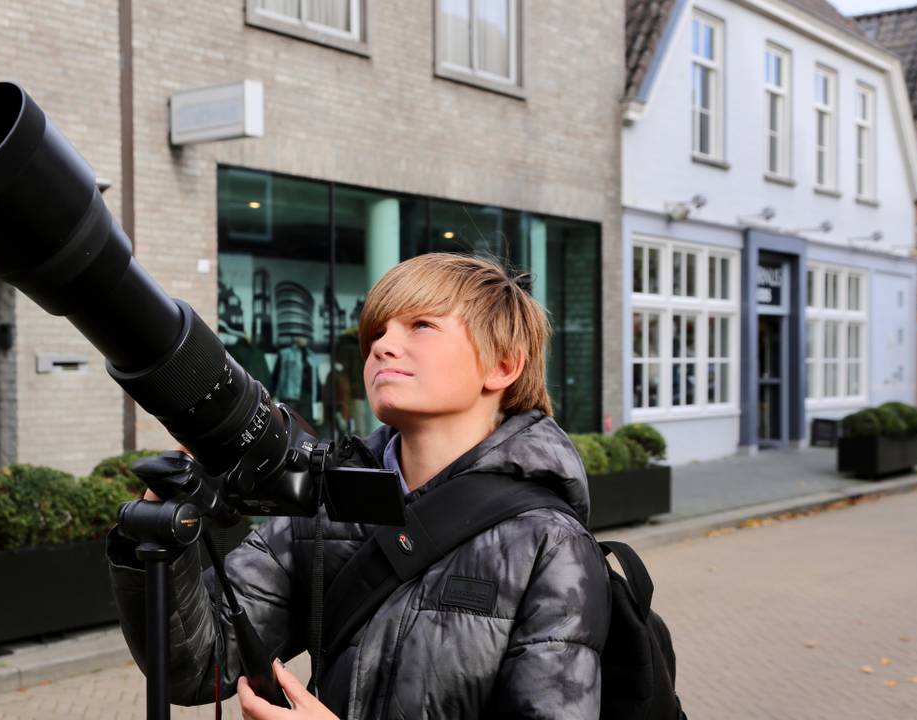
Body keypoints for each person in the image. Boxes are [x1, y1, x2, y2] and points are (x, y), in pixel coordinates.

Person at [107, 253, 610, 718]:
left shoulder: (550, 543)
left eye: (422, 326)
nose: (382, 346)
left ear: (503, 365)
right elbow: (202, 664)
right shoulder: (329, 506)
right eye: (377, 332)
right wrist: (162, 538)